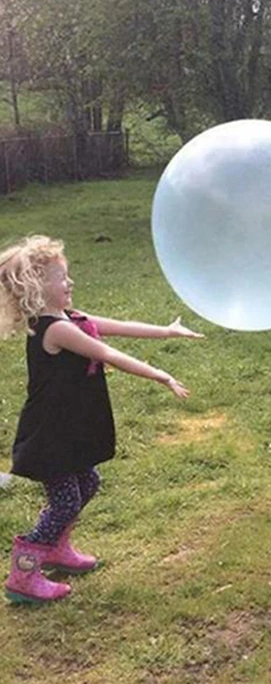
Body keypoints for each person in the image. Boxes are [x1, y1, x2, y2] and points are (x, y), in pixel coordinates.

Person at [0, 235, 203, 604]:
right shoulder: (55, 329)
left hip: (67, 427)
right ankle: (23, 572)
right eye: (62, 278)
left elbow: (121, 326)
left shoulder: (72, 318)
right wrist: (159, 374)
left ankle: (57, 548)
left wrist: (168, 331)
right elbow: (106, 352)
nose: (70, 283)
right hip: (50, 433)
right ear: (38, 288)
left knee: (88, 482)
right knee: (64, 501)